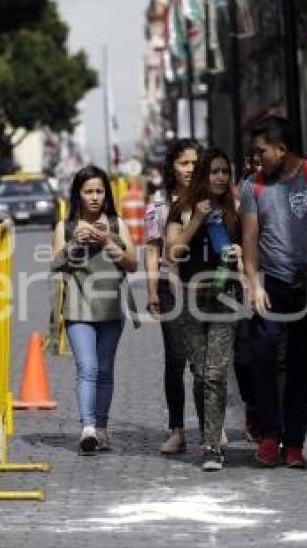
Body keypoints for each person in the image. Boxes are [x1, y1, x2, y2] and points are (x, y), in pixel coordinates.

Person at [240, 115, 307, 468]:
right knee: (263, 359)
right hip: (270, 284)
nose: (257, 158)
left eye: (262, 151)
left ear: (281, 149)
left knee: (301, 366)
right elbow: (250, 239)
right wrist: (254, 284)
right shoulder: (252, 187)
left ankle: (295, 442)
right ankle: (271, 436)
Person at [164, 148, 242, 471]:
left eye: (225, 171)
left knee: (215, 373)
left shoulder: (236, 210)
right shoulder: (181, 209)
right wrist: (197, 218)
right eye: (214, 171)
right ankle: (207, 433)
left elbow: (253, 248)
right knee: (199, 374)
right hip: (192, 298)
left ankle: (211, 447)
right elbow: (173, 252)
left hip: (225, 298)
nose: (221, 177)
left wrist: (239, 252)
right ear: (202, 176)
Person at [51, 165, 137, 455]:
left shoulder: (117, 224)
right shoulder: (64, 227)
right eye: (88, 191)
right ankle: (88, 428)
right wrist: (76, 241)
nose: (95, 197)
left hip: (111, 309)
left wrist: (106, 241)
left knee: (105, 370)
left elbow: (131, 263)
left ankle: (102, 428)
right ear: (78, 194)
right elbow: (55, 265)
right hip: (78, 308)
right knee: (86, 368)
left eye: (100, 191)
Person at [143, 138, 201, 455]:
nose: (190, 169)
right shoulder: (160, 201)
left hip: (206, 286)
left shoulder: (212, 196)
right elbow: (153, 249)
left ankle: (211, 425)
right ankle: (177, 429)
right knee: (176, 358)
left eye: (194, 162)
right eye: (183, 163)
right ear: (172, 167)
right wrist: (152, 290)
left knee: (204, 362)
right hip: (170, 286)